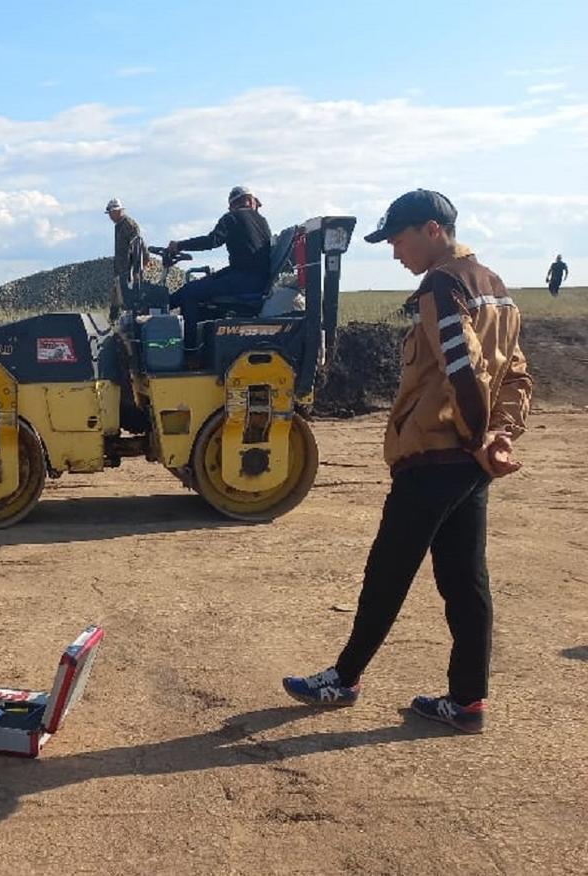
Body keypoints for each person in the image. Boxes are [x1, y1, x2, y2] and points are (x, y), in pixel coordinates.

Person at [283, 189, 532, 734]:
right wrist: (498, 437)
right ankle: (467, 702)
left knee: (388, 571)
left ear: (432, 231)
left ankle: (343, 679)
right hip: (469, 461)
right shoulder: (498, 289)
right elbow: (515, 375)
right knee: (465, 580)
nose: (395, 252)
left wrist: (472, 438)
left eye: (398, 239)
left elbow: (464, 370)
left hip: (438, 455)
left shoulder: (442, 287)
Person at [166, 185, 272, 354]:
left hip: (243, 281)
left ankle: (189, 351)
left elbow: (212, 241)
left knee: (189, 293)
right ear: (251, 201)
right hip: (259, 280)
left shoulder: (231, 218)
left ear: (233, 205)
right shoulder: (262, 222)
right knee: (200, 285)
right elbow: (249, 259)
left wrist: (179, 246)